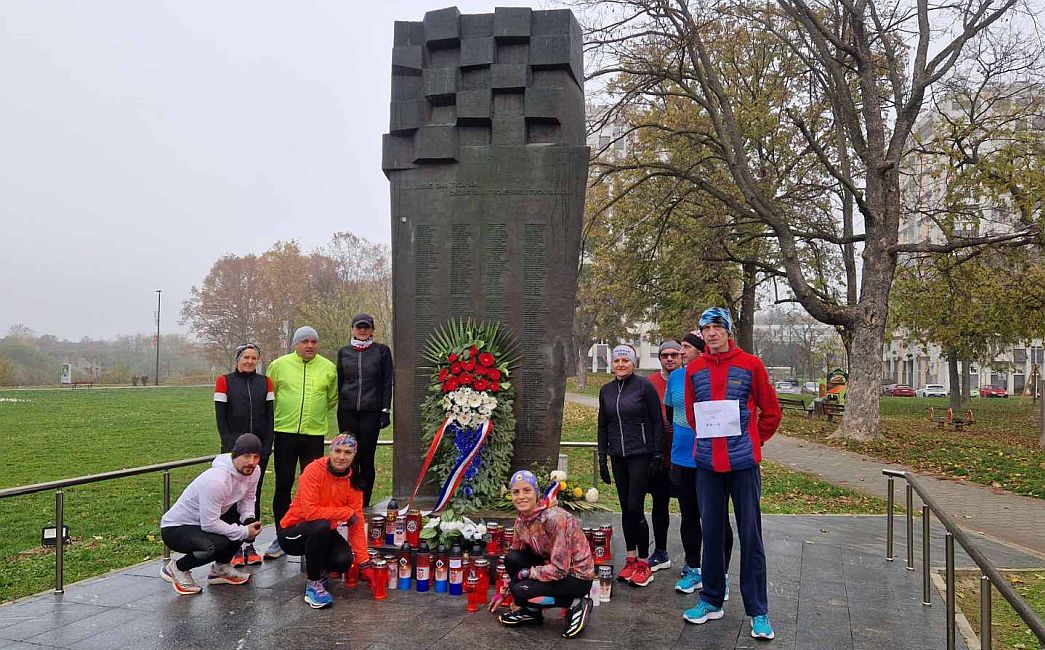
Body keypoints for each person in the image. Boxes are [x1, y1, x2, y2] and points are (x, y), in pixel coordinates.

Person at [683, 308, 781, 640]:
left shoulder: (751, 364)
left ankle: (758, 611)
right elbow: (695, 416)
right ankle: (711, 600)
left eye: (716, 327)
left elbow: (771, 411)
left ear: (727, 331)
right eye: (705, 328)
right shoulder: (693, 368)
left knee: (750, 536)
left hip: (743, 466)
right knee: (710, 532)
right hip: (708, 466)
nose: (710, 333)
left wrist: (756, 440)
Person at [665, 332, 736, 595]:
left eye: (685, 347)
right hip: (682, 456)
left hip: (710, 457)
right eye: (680, 347)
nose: (680, 352)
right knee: (689, 516)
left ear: (700, 349)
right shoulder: (675, 377)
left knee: (716, 518)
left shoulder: (712, 372)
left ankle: (721, 575)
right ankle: (693, 568)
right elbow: (671, 413)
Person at [264, 326, 339, 560]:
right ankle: (281, 534)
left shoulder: (328, 367)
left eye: (314, 341)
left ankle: (309, 534)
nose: (309, 345)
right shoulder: (279, 365)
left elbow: (331, 398)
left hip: (313, 434)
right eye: (304, 341)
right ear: (295, 344)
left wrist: (314, 416)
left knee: (312, 488)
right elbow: (270, 395)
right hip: (284, 432)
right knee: (284, 483)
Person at [494, 470, 596, 639]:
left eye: (527, 490)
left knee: (522, 590)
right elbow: (517, 558)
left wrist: (526, 575)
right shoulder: (521, 521)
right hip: (549, 568)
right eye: (516, 492)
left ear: (536, 493)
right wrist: (504, 590)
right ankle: (532, 612)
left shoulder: (554, 518)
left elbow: (559, 570)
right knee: (512, 558)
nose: (521, 496)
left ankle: (576, 603)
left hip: (574, 576)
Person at [159, 433, 264, 595]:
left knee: (245, 525)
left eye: (256, 457)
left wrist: (249, 519)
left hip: (205, 521)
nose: (251, 462)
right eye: (246, 456)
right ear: (235, 455)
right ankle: (176, 568)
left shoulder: (254, 471)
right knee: (214, 546)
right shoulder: (217, 480)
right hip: (176, 528)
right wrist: (243, 531)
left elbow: (248, 499)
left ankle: (220, 568)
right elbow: (209, 523)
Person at [596, 344, 663, 587]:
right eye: (617, 361)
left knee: (636, 507)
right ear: (612, 364)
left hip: (641, 454)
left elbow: (657, 421)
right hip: (618, 456)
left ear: (633, 363)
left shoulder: (644, 386)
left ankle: (645, 562)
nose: (621, 364)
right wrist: (602, 458)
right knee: (625, 508)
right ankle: (631, 558)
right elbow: (603, 425)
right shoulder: (606, 391)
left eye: (625, 360)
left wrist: (656, 455)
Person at [278, 433, 369, 609]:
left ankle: (319, 569)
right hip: (292, 532)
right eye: (338, 451)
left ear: (354, 455)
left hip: (323, 531)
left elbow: (356, 523)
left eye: (348, 452)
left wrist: (364, 562)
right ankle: (313, 585)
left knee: (343, 560)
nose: (342, 457)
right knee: (320, 525)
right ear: (330, 451)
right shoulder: (313, 470)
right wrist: (345, 512)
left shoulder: (354, 481)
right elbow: (310, 512)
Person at [214, 342, 274, 567]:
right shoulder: (224, 381)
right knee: (230, 499)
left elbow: (270, 417)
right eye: (245, 357)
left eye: (253, 358)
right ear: (237, 360)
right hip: (233, 452)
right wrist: (231, 450)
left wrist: (266, 446)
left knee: (252, 497)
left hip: (258, 452)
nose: (249, 361)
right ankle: (233, 546)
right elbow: (221, 419)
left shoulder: (265, 382)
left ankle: (250, 543)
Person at [336, 313, 394, 507]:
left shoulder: (382, 351)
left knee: (366, 457)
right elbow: (340, 380)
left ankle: (364, 503)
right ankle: (348, 498)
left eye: (366, 327)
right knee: (348, 456)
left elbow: (387, 381)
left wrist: (385, 409)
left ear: (372, 330)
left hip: (371, 411)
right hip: (348, 411)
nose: (362, 330)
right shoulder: (344, 352)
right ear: (352, 329)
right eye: (359, 327)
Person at [643, 340, 681, 572]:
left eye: (674, 354)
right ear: (660, 359)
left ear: (681, 356)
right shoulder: (650, 384)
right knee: (659, 505)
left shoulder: (689, 378)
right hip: (658, 455)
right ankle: (660, 552)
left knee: (690, 509)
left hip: (684, 455)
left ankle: (693, 561)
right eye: (665, 355)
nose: (669, 359)